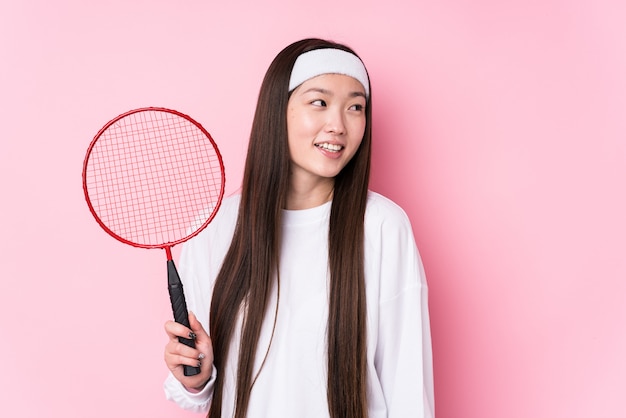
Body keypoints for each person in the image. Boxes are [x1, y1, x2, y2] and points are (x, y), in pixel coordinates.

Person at [163, 38, 434, 418]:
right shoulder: (215, 230)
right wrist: (197, 377)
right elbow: (204, 391)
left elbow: (408, 391)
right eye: (319, 102)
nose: (338, 125)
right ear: (279, 111)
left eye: (355, 107)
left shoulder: (382, 227)